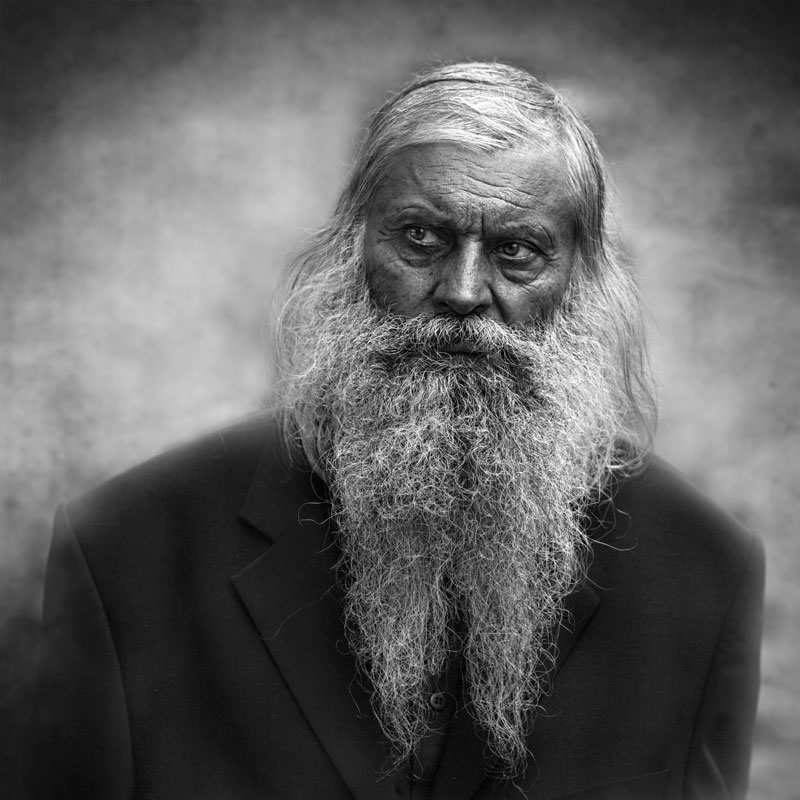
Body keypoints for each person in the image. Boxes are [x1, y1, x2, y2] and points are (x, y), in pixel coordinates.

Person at [32, 62, 764, 800]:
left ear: (581, 280)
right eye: (420, 237)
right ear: (352, 250)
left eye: (516, 251)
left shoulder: (704, 573)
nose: (464, 292)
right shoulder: (126, 551)